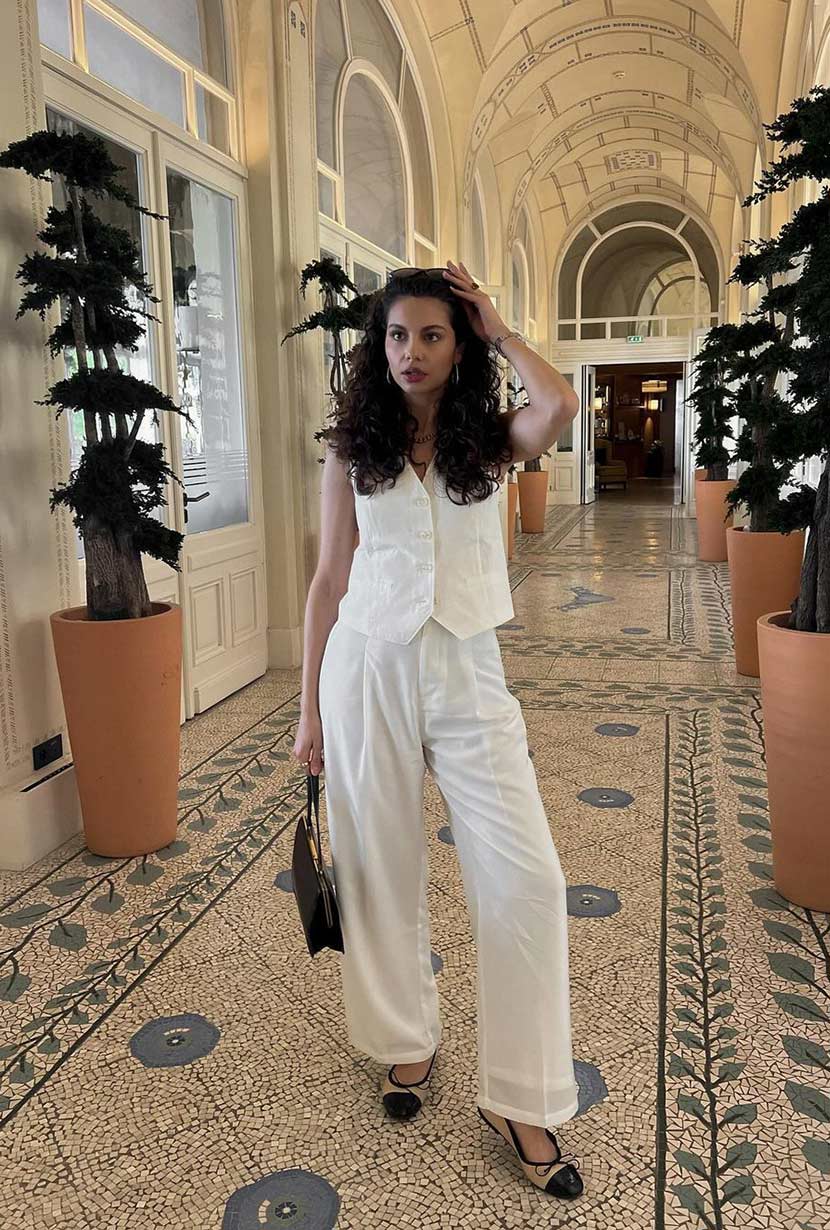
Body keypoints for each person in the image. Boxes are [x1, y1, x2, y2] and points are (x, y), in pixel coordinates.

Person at [292, 261, 583, 1199]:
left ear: (459, 347)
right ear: (377, 347)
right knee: (379, 865)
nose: (410, 352)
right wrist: (307, 711)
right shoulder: (353, 448)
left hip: (467, 670)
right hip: (367, 667)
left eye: (431, 334)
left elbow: (561, 404)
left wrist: (498, 325)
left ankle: (523, 1096)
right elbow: (328, 580)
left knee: (529, 878)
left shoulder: (489, 440)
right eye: (396, 335)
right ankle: (404, 1037)